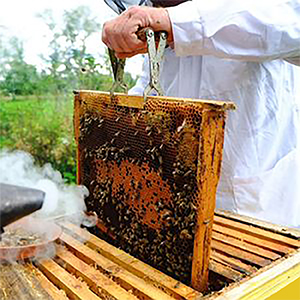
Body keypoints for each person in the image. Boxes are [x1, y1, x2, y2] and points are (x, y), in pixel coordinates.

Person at [102, 0, 300, 228]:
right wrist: (119, 119)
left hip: (262, 209)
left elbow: (292, 21)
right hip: (179, 210)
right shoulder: (161, 24)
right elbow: (154, 84)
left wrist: (177, 23)